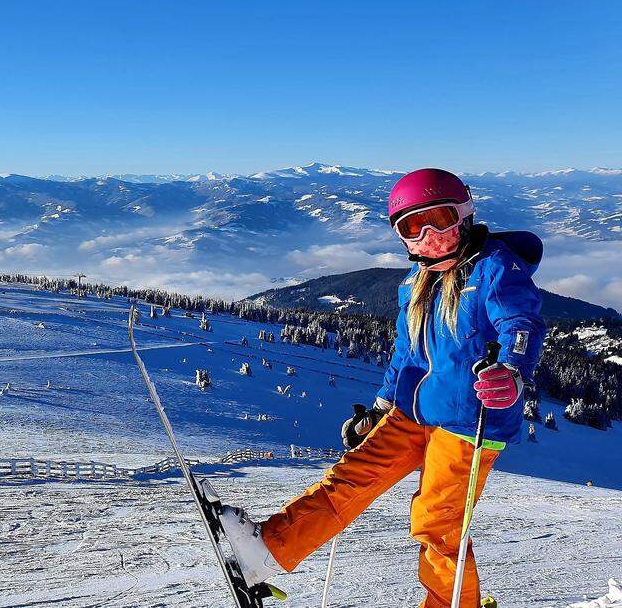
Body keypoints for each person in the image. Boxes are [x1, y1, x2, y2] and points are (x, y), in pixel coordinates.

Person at [218, 168, 546, 607]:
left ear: (465, 217)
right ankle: (268, 549)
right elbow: (405, 356)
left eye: (440, 221)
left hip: (470, 423)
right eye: (413, 227)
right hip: (411, 412)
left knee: (438, 524)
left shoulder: (494, 270)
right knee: (352, 476)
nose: (429, 237)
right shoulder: (414, 285)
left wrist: (511, 370)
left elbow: (521, 324)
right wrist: (379, 406)